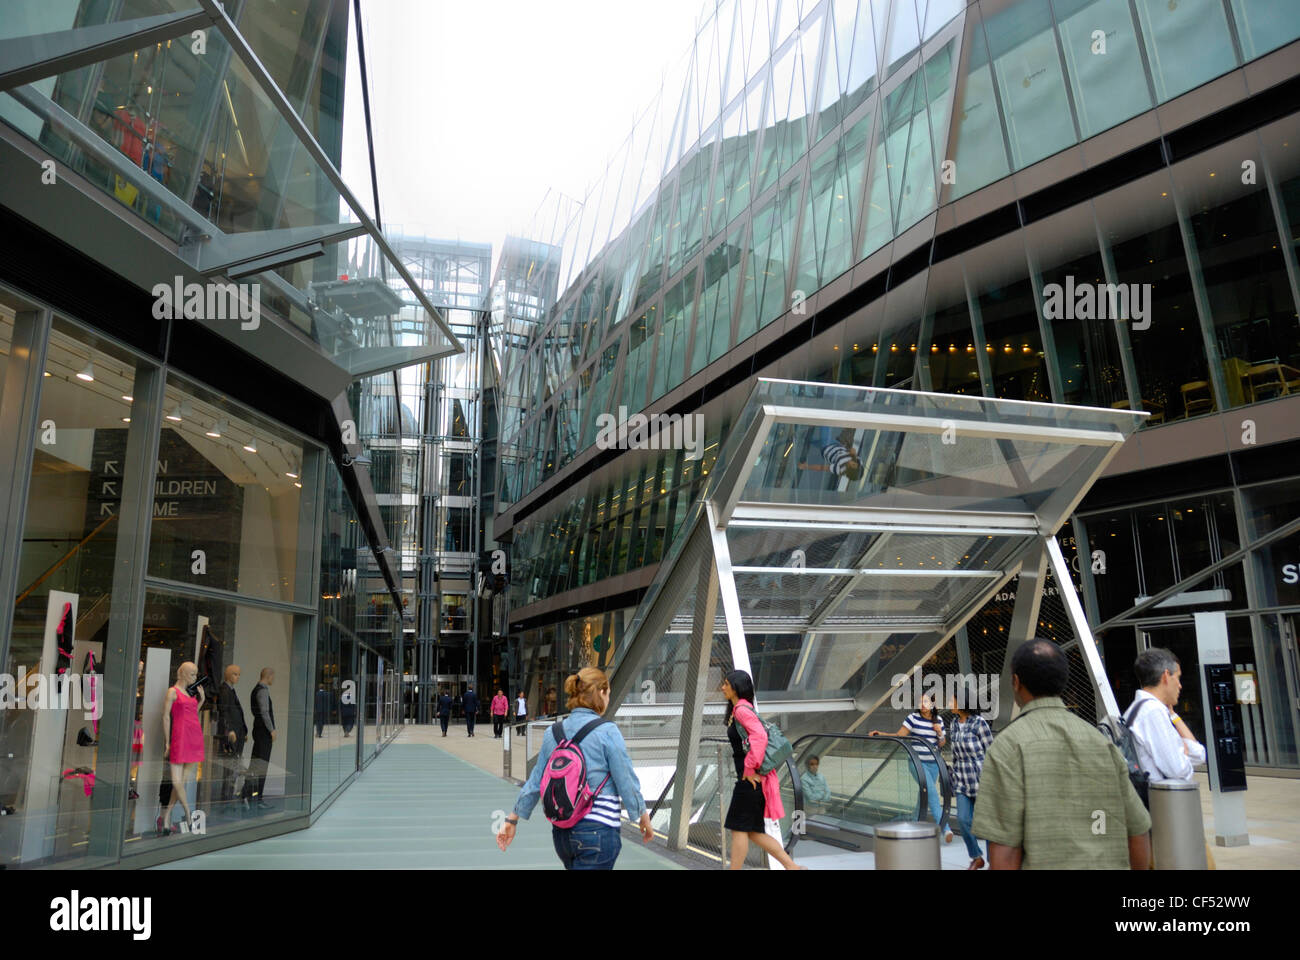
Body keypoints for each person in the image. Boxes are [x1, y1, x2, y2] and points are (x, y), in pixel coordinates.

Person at [973, 639, 1151, 869]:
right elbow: (1138, 830)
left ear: (1016, 682)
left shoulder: (1007, 747)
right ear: (1063, 683)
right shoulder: (1101, 742)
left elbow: (1005, 853)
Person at [497, 667, 653, 869]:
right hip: (598, 830)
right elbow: (626, 780)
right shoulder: (607, 731)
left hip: (562, 834)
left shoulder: (553, 732)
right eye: (608, 693)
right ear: (602, 693)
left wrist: (513, 818)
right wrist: (642, 815)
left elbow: (536, 780)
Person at [1127, 648, 1214, 869]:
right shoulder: (1152, 714)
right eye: (1178, 677)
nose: (1180, 685)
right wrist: (1181, 754)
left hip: (1162, 814)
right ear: (1166, 676)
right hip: (1167, 817)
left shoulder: (1144, 710)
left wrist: (1174, 716)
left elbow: (1198, 754)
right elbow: (1179, 771)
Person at [721, 670, 804, 870]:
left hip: (749, 781)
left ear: (736, 687)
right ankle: (792, 867)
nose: (722, 687)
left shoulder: (741, 710)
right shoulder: (741, 709)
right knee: (754, 833)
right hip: (754, 781)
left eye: (726, 684)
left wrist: (749, 769)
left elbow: (759, 737)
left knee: (738, 829)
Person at [870, 692, 947, 832]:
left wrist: (940, 733)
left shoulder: (939, 720)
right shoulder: (913, 718)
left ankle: (915, 821)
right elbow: (900, 735)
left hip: (934, 764)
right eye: (919, 702)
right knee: (931, 793)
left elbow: (942, 744)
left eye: (925, 701)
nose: (922, 704)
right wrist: (881, 734)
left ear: (932, 704)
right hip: (917, 763)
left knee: (924, 793)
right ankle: (944, 827)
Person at [948, 680, 994, 869]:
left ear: (962, 702)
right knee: (963, 820)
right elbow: (954, 754)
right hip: (962, 780)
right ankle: (976, 857)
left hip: (981, 780)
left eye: (953, 700)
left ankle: (994, 861)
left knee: (988, 825)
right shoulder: (953, 724)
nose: (950, 703)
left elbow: (991, 751)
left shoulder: (979, 723)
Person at [159, 661, 204, 835]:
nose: (195, 677)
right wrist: (167, 742)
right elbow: (165, 717)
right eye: (193, 674)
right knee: (177, 781)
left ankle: (167, 816)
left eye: (196, 674)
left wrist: (202, 700)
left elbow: (192, 712)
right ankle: (187, 812)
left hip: (194, 735)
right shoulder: (173, 692)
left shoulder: (188, 692)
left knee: (182, 782)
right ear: (184, 674)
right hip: (180, 736)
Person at [214, 664, 246, 807]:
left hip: (237, 732)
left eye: (239, 674)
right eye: (235, 674)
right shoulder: (224, 690)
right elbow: (224, 712)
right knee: (230, 766)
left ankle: (229, 795)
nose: (237, 677)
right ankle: (226, 797)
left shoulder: (231, 690)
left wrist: (243, 729)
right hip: (231, 734)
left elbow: (236, 712)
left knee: (234, 765)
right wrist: (230, 730)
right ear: (228, 675)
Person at [247, 668, 276, 809]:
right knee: (261, 765)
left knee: (256, 764)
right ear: (268, 676)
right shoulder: (262, 690)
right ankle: (257, 798)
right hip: (263, 733)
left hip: (258, 731)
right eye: (272, 677)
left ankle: (249, 796)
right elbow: (264, 712)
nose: (273, 680)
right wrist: (272, 730)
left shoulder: (255, 690)